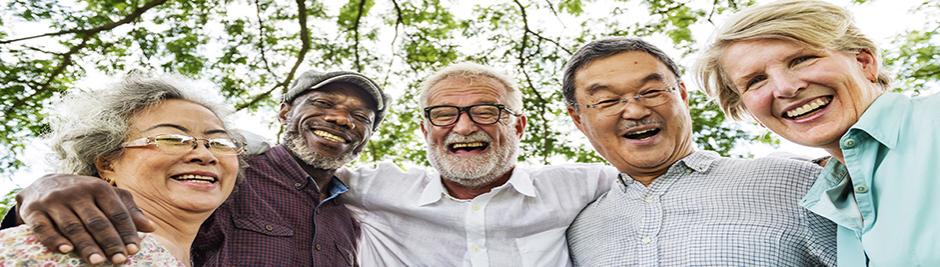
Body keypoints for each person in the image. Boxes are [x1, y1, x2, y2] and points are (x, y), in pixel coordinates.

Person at [3, 70, 390, 266]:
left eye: (360, 116)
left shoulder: (356, 216)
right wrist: (47, 187)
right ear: (286, 111)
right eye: (323, 104)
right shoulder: (229, 172)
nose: (341, 119)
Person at [695, 0, 940, 265]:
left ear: (864, 62)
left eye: (802, 60)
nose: (785, 88)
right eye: (756, 80)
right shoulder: (834, 197)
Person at [562, 37, 837, 266]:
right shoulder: (574, 230)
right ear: (577, 119)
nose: (635, 111)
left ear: (682, 95)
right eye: (607, 101)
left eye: (652, 91)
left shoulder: (793, 182)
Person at [337, 62, 617, 266]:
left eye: (486, 112)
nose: (465, 127)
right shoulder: (371, 190)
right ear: (425, 131)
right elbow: (297, 172)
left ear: (518, 126)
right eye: (444, 114)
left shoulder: (579, 186)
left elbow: (654, 175)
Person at [0, 75, 242, 266]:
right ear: (107, 164)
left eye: (220, 143)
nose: (205, 155)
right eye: (172, 138)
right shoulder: (60, 251)